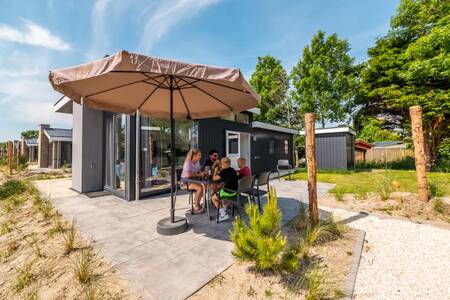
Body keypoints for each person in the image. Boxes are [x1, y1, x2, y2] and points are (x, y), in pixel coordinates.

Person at [212, 157, 238, 221]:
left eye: (221, 163)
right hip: (235, 192)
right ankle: (224, 208)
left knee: (213, 198)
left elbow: (214, 179)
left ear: (223, 164)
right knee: (220, 188)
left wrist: (215, 171)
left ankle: (223, 215)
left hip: (229, 192)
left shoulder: (224, 172)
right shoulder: (232, 169)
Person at [181, 149, 205, 214]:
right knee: (200, 188)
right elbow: (189, 174)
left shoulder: (197, 162)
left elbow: (199, 170)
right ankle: (196, 205)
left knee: (204, 187)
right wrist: (200, 174)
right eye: (199, 155)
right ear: (194, 155)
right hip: (185, 182)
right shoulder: (188, 162)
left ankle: (197, 202)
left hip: (193, 180)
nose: (200, 157)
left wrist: (202, 173)